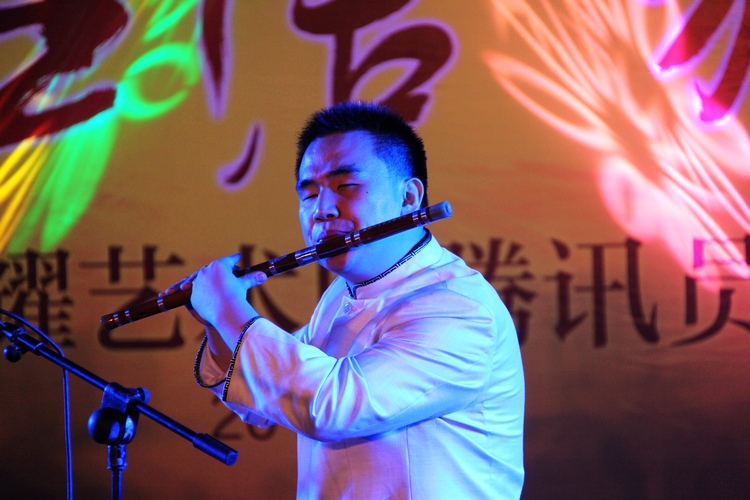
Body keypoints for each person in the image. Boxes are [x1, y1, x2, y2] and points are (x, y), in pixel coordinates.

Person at [172, 101, 525, 498]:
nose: (321, 210)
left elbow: (331, 408)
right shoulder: (342, 293)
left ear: (410, 197)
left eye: (346, 187)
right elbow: (268, 399)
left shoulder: (459, 308)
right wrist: (214, 320)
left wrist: (228, 309)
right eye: (309, 193)